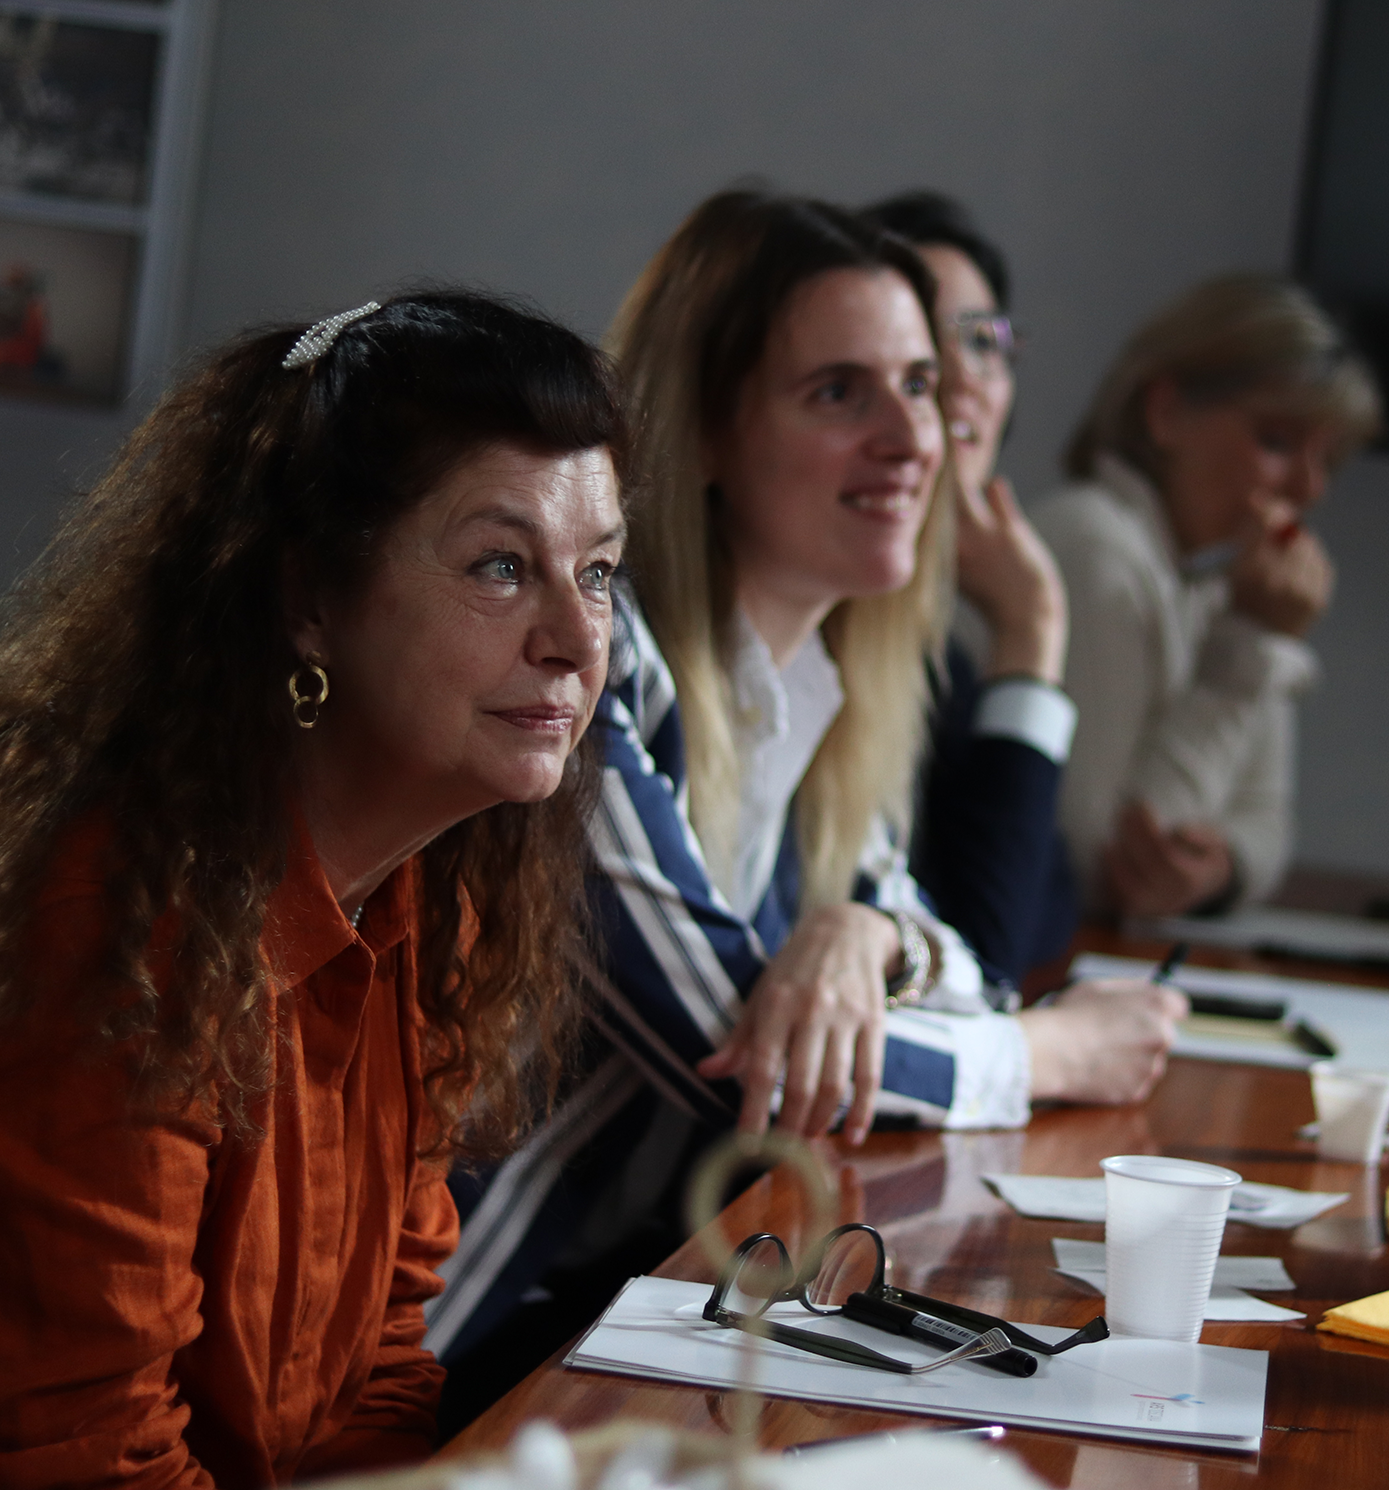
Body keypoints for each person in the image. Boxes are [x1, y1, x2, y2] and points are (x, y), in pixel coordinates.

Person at [429, 192, 1185, 1427]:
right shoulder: (592, 672)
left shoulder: (820, 701)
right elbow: (745, 1066)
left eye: (920, 385)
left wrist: (864, 934)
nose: (912, 437)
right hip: (457, 1356)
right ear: (704, 433)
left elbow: (967, 981)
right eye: (840, 392)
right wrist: (1052, 1053)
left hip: (642, 1322)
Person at [0, 291, 628, 1487]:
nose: (578, 640)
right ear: (308, 599)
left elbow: (376, 1368)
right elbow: (84, 1468)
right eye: (502, 566)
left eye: (597, 573)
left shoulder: (430, 897)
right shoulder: (95, 923)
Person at [1034, 275, 1381, 917]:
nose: (1309, 489)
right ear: (1165, 411)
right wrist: (1251, 643)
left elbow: (1268, 821)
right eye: (1277, 441)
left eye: (1327, 461)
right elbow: (1101, 862)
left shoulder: (1217, 582)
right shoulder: (1095, 544)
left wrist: (1222, 868)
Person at [863, 190, 1079, 977]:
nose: (963, 377)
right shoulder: (816, 624)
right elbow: (988, 949)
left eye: (985, 341)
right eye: (924, 339)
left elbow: (1042, 908)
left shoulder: (939, 659)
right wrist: (1029, 632)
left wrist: (1032, 634)